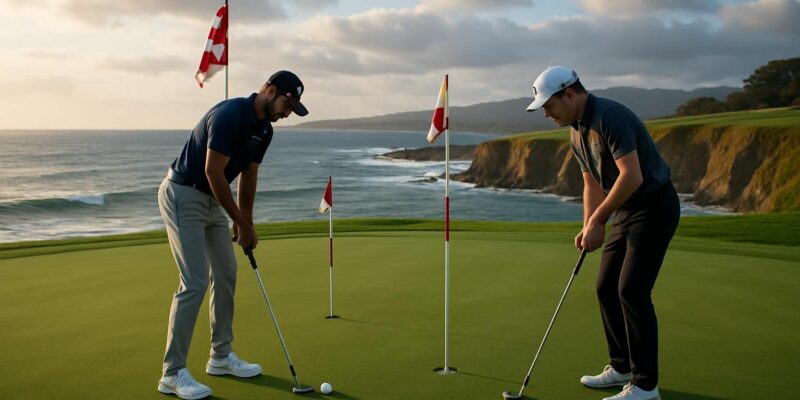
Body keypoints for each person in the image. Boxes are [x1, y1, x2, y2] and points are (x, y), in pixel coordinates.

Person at [526, 66, 679, 400]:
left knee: (632, 291)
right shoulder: (575, 130)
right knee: (605, 286)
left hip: (654, 207)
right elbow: (590, 182)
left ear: (569, 94)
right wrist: (588, 224)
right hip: (626, 210)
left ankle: (645, 385)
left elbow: (632, 176)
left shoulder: (610, 116)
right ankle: (621, 366)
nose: (547, 114)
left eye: (549, 106)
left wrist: (598, 220)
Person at [156, 70, 309, 400]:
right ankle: (171, 373)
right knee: (195, 281)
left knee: (226, 273)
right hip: (184, 194)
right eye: (286, 103)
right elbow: (213, 171)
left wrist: (247, 222)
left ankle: (221, 357)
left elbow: (248, 176)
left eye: (292, 108)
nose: (287, 113)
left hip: (213, 198)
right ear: (270, 90)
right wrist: (237, 220)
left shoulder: (265, 131)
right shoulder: (229, 115)